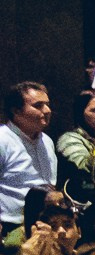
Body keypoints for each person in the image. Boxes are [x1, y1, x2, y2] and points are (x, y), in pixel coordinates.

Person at [0, 81, 59, 230]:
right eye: (38, 106)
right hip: (11, 228)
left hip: (46, 225)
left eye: (47, 104)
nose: (47, 110)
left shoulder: (47, 141)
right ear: (16, 111)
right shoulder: (3, 140)